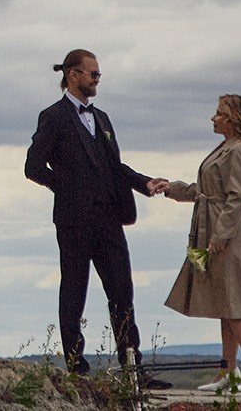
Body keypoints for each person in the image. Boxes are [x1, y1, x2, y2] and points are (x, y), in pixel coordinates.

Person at [23, 49, 168, 373]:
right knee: (74, 291)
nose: (97, 80)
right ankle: (76, 366)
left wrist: (144, 183)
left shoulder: (101, 118)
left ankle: (132, 366)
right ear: (73, 75)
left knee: (122, 292)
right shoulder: (54, 116)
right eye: (93, 74)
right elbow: (33, 167)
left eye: (98, 74)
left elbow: (114, 166)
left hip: (109, 219)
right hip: (74, 221)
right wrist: (65, 188)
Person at [160, 94, 241, 392]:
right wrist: (171, 188)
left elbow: (236, 196)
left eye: (219, 114)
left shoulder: (238, 150)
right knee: (222, 300)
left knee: (234, 300)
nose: (213, 118)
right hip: (208, 229)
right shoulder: (224, 148)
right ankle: (228, 370)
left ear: (233, 119)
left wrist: (220, 236)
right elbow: (205, 191)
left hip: (228, 233)